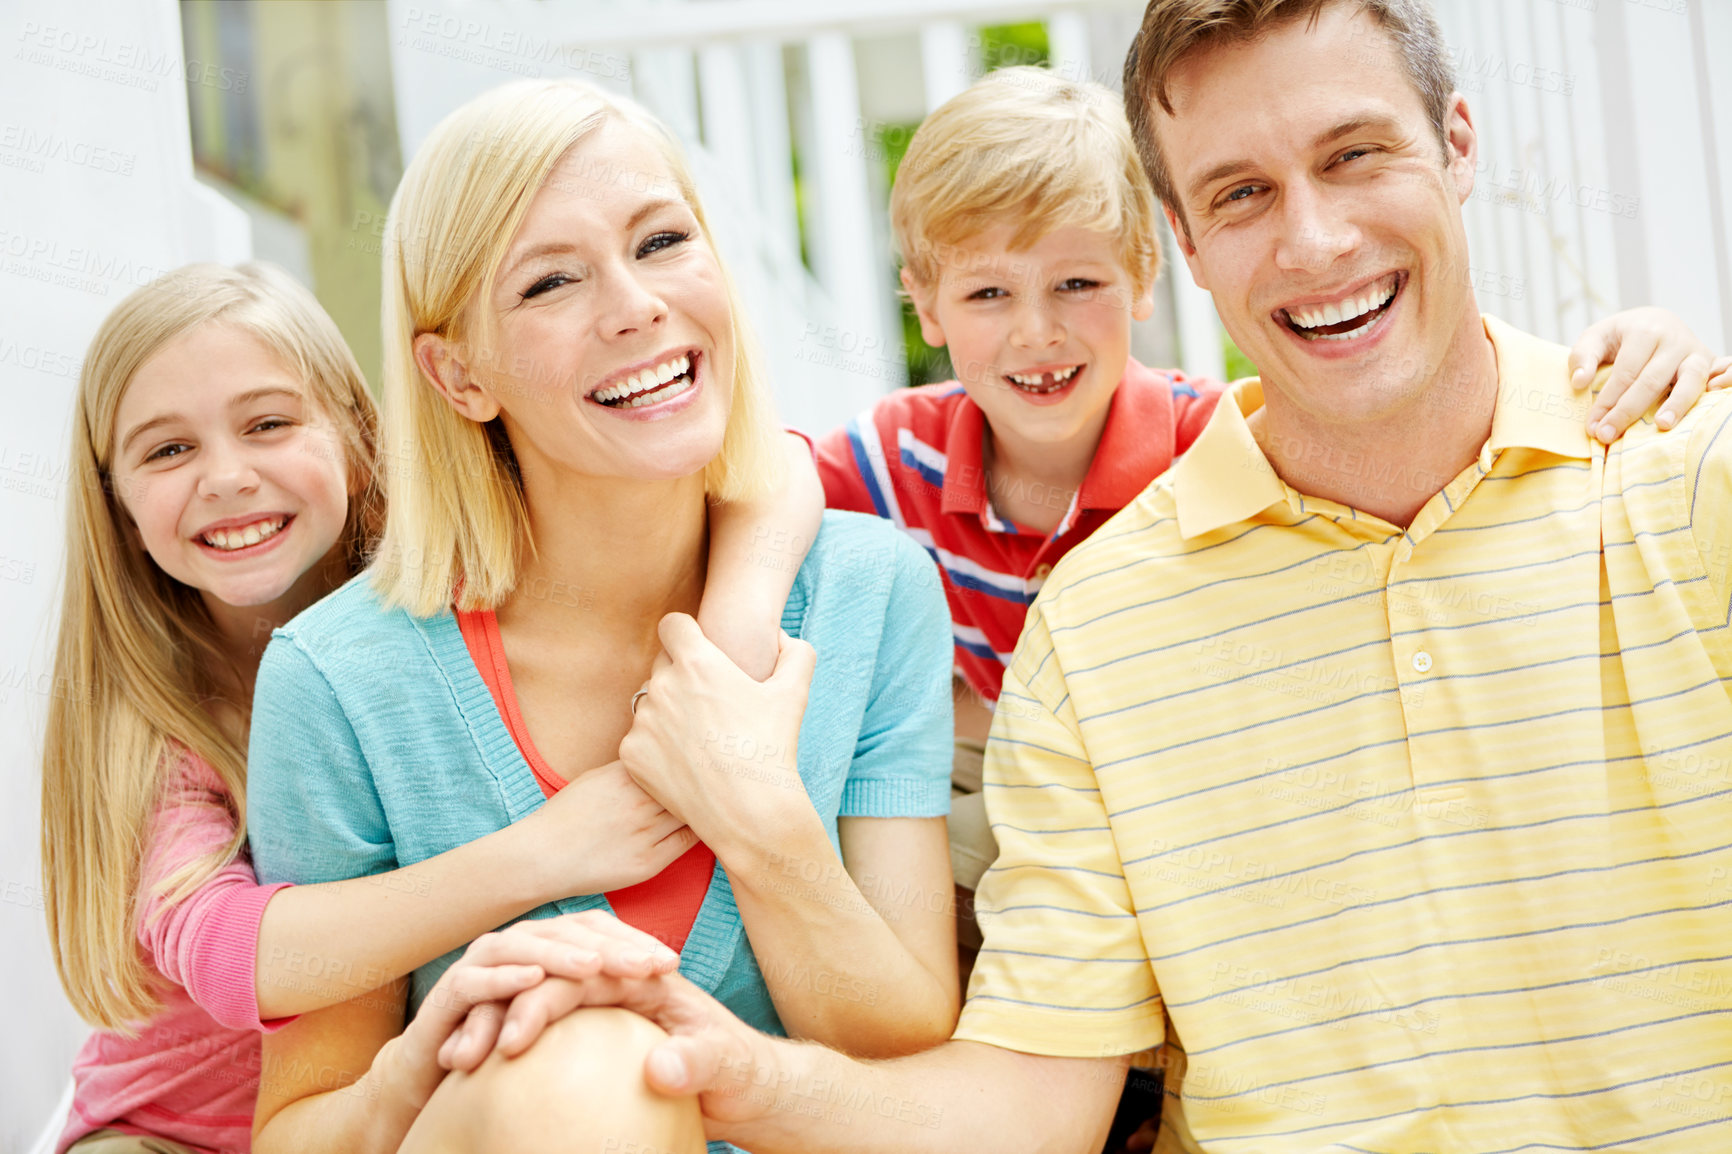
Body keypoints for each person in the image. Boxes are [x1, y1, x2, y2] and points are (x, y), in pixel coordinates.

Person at [440, 3, 1732, 1153]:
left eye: (1355, 154)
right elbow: (1027, 1098)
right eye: (1240, 193)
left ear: (1458, 144)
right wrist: (746, 1074)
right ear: (1189, 232)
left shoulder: (1680, 470)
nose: (1317, 236)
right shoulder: (1091, 614)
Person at [812, 65, 1724, 954]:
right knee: (913, 835)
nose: (1036, 330)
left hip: (1185, 772)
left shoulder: (1214, 443)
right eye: (987, 294)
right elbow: (751, 487)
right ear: (925, 304)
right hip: (1019, 777)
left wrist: (1653, 338)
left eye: (1076, 285)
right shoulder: (895, 454)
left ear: (1143, 276)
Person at [241, 78, 959, 1153]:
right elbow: (296, 1130)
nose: (634, 304)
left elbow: (904, 1057)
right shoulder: (341, 680)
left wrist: (755, 808)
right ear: (458, 373)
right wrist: (418, 1064)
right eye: (551, 282)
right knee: (576, 1066)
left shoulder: (867, 592)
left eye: (662, 240)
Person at [38, 262, 818, 1154]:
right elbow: (242, 958)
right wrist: (540, 855)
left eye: (268, 424)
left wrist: (737, 618)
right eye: (168, 450)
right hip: (168, 1138)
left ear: (362, 437)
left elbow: (781, 460)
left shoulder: (436, 596)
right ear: (118, 506)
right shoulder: (151, 722)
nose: (226, 477)